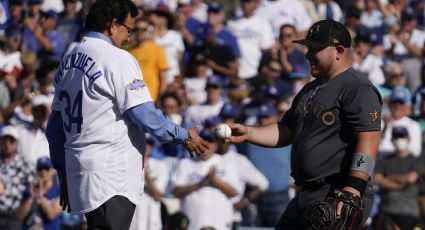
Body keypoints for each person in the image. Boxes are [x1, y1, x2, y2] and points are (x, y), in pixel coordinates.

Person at [45, 1, 209, 230]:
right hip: (111, 174)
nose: (129, 38)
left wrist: (64, 176)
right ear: (113, 25)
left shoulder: (68, 58)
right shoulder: (117, 58)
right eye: (129, 29)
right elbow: (143, 113)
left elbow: (54, 129)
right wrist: (183, 136)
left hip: (81, 170)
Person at [226, 19, 382, 229]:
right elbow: (286, 131)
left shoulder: (357, 86)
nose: (308, 54)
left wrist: (353, 188)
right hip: (306, 194)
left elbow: (368, 138)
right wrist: (249, 132)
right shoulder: (310, 89)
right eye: (308, 48)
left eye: (315, 49)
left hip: (335, 191)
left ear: (338, 51)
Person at [374, 126, 421, 230]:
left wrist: (387, 178)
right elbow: (377, 179)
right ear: (391, 140)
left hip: (407, 212)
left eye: (402, 137)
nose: (399, 140)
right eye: (396, 137)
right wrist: (399, 183)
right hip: (386, 210)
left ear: (409, 139)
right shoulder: (385, 160)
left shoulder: (415, 160)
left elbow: (410, 178)